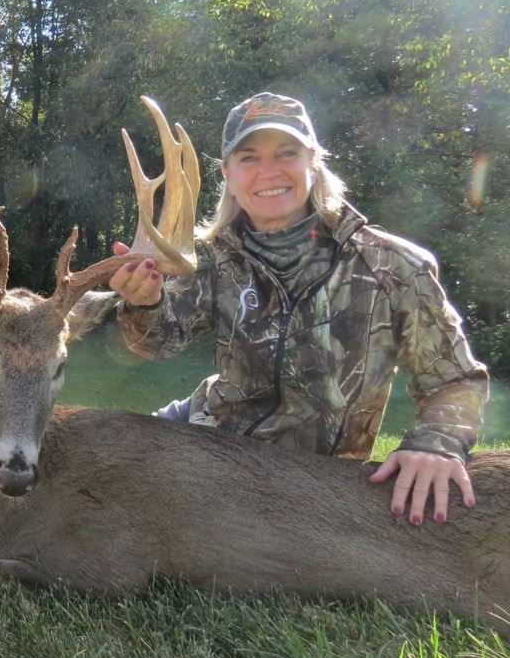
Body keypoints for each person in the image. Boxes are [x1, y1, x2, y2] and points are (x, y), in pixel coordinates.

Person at [109, 92, 489, 525]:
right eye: (249, 158)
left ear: (314, 161)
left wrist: (435, 443)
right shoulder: (214, 260)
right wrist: (144, 302)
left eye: (286, 153)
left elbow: (455, 379)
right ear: (228, 174)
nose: (269, 171)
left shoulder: (393, 266)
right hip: (210, 442)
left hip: (317, 479)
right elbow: (158, 342)